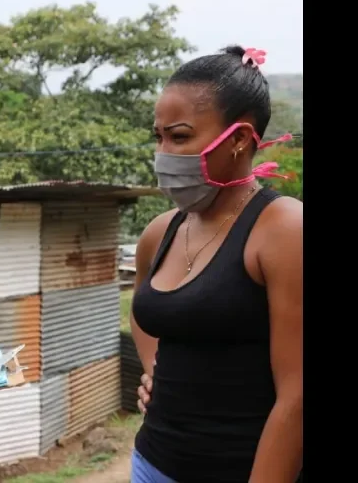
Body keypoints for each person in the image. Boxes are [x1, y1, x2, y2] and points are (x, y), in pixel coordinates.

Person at [129, 46, 303, 483]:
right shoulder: (161, 231)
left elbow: (298, 396)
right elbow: (143, 310)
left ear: (241, 139)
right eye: (159, 137)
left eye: (181, 136)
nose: (164, 153)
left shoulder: (283, 230)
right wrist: (156, 373)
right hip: (151, 463)